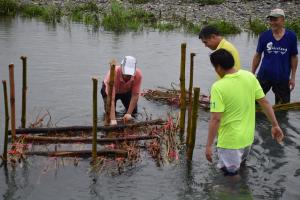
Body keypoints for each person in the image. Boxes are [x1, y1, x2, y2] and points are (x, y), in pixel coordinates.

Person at [205, 49, 284, 177]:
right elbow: (264, 102)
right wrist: (275, 125)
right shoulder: (250, 76)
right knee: (241, 171)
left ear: (218, 67)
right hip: (247, 139)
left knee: (229, 180)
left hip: (230, 143)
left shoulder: (218, 87)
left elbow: (216, 119)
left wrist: (208, 145)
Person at [252, 8, 298, 104]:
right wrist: (252, 74)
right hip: (263, 76)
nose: (272, 22)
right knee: (254, 104)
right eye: (271, 20)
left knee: (283, 109)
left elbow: (294, 57)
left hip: (282, 78)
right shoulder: (264, 36)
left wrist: (293, 77)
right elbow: (257, 55)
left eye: (275, 20)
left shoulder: (291, 36)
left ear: (283, 20)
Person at [101, 56, 142, 125]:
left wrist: (128, 113)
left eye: (130, 74)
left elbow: (135, 95)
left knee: (134, 112)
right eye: (126, 73)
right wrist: (113, 120)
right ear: (121, 66)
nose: (127, 76)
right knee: (109, 114)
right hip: (109, 92)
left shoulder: (138, 75)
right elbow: (111, 99)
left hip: (126, 91)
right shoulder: (113, 74)